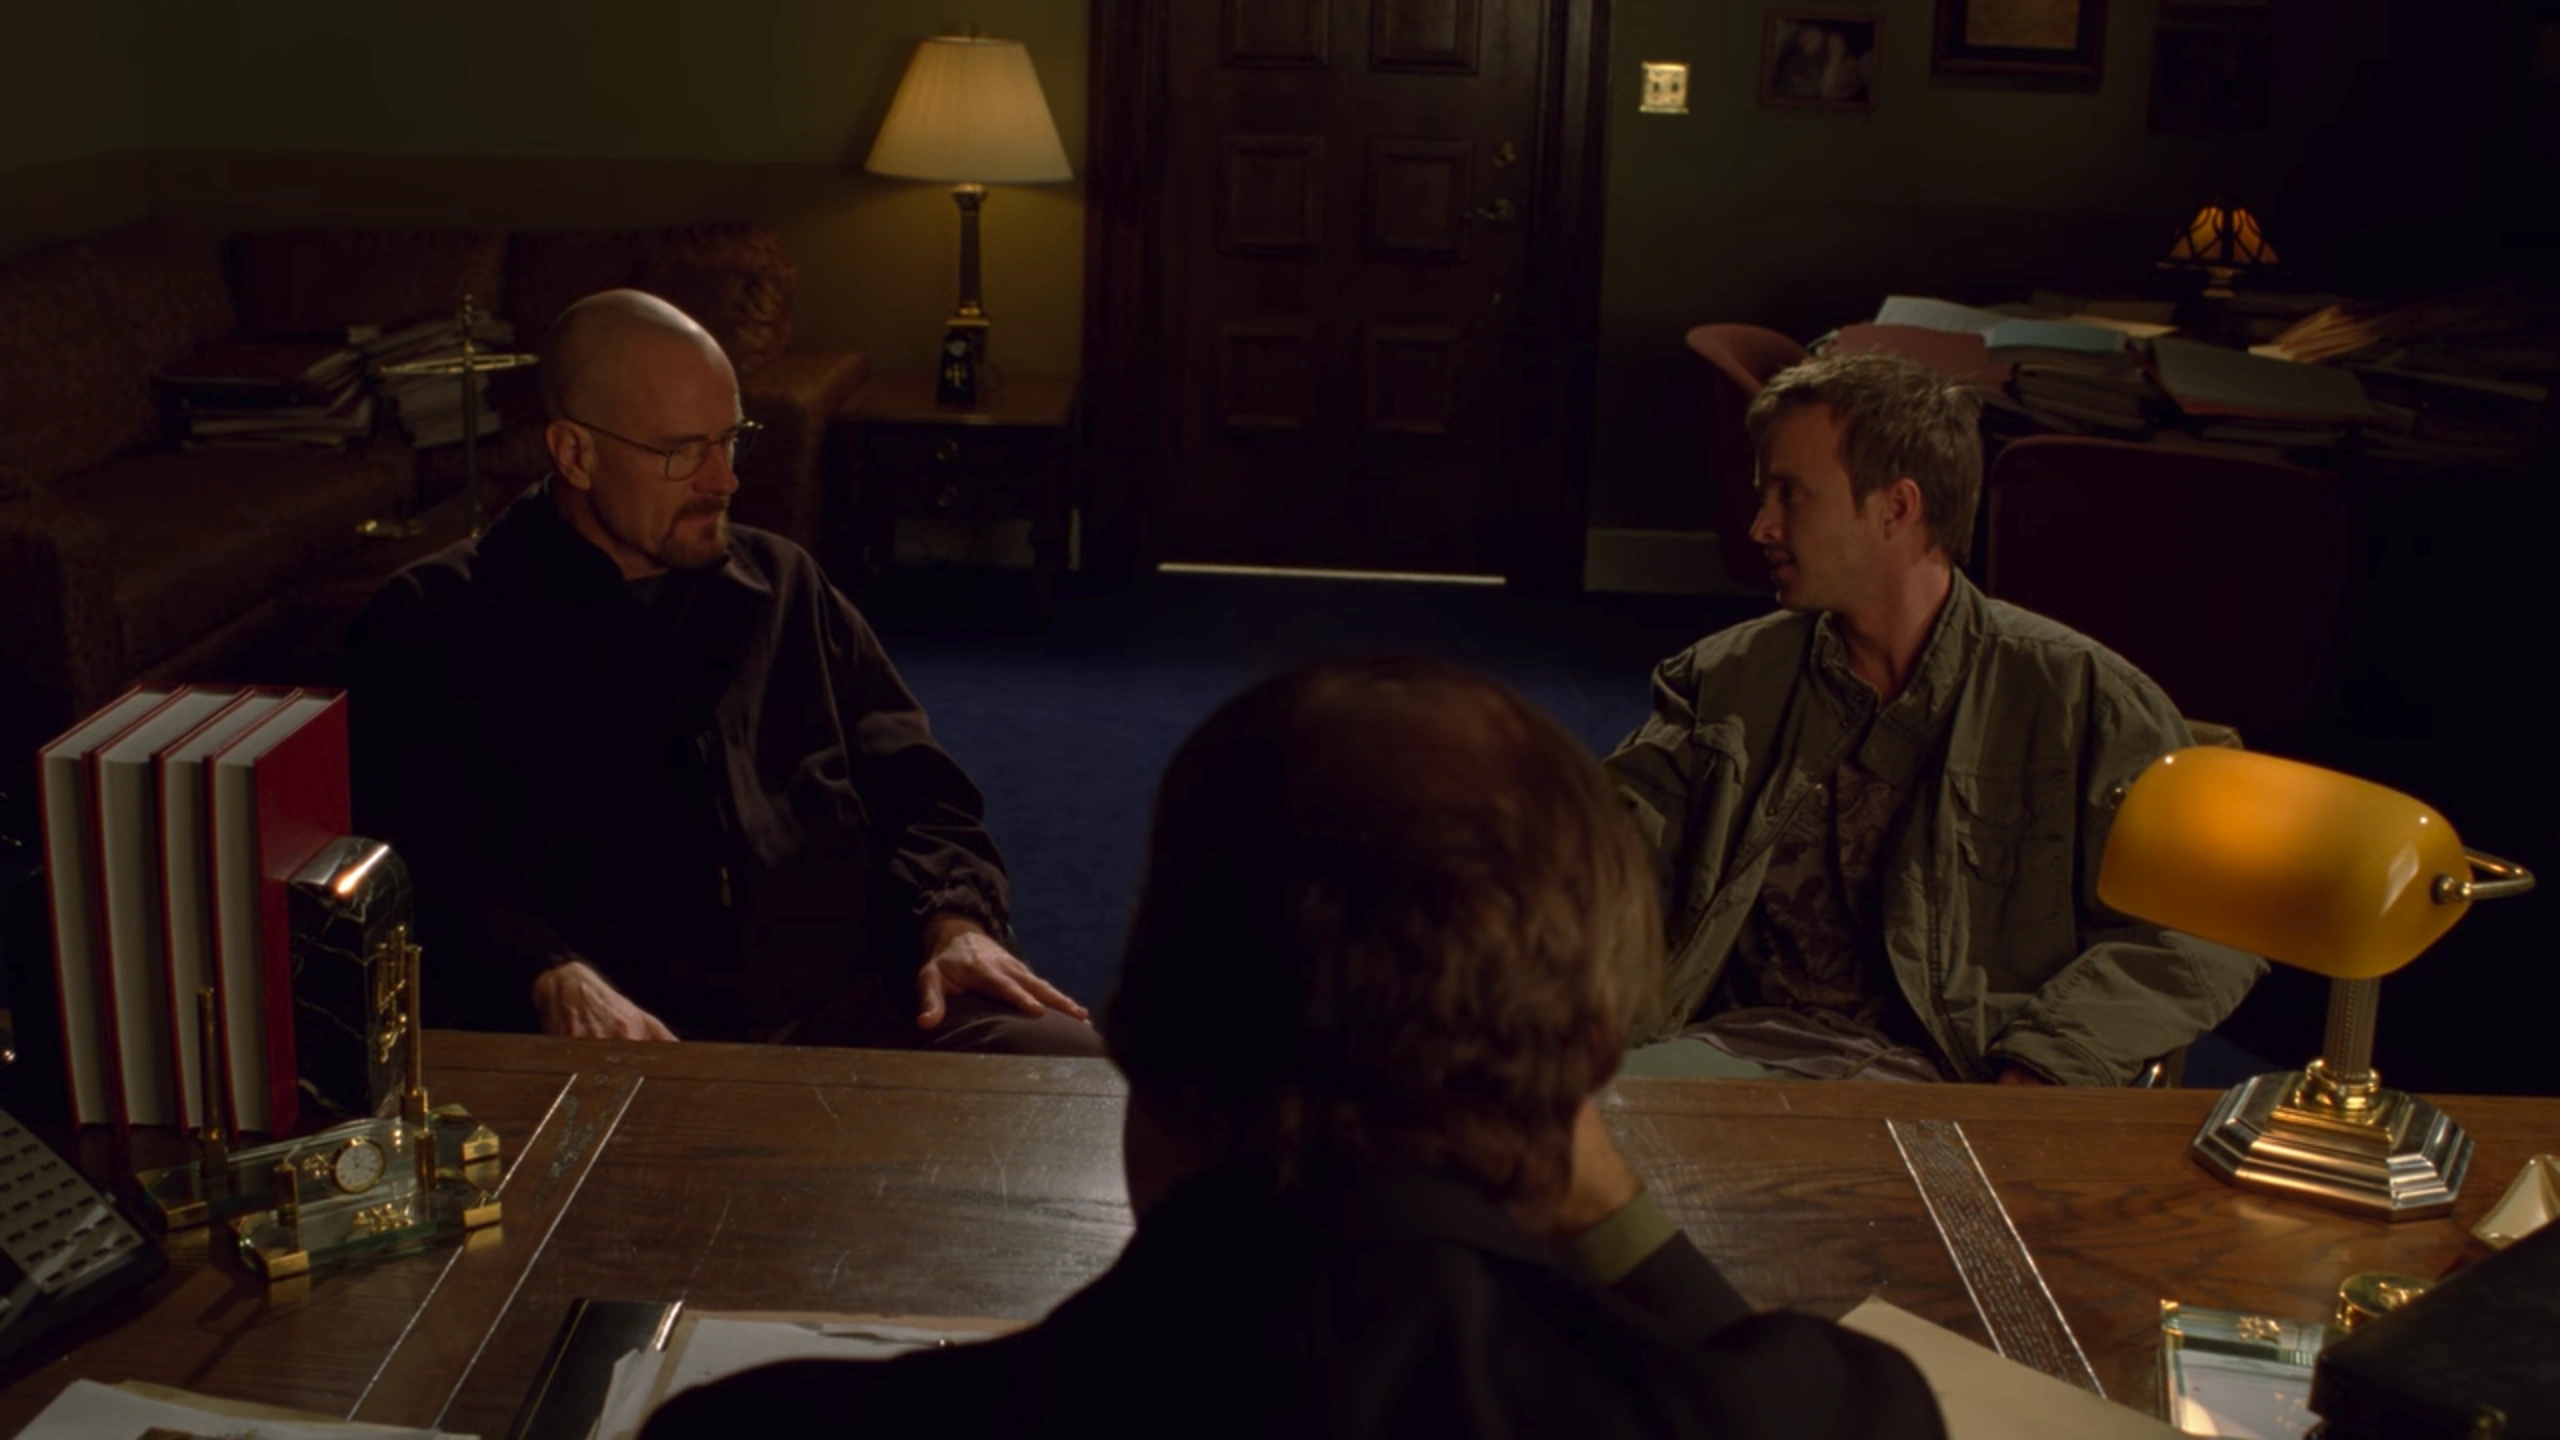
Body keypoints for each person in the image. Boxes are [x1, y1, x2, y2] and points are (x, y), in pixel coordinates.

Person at [640, 657, 1945, 1440]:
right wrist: (1593, 1170)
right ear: (1581, 1072)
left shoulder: (750, 1432)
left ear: (1130, 1024)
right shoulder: (1833, 1416)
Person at [343, 289, 1097, 1055]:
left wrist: (955, 924)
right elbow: (408, 869)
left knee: (1077, 1079)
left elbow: (921, 792)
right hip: (637, 1044)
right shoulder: (433, 622)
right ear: (574, 454)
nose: (724, 481)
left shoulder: (784, 585)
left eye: (730, 440)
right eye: (682, 452)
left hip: (866, 1004)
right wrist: (545, 971)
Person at [1606, 352, 2263, 1086]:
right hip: (1738, 1050)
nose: (1762, 525)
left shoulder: (2082, 698)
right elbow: (1610, 848)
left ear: (1898, 508)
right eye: (1766, 495)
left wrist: (2048, 1059)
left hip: (1953, 1073)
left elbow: (2201, 927)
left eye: (1792, 495)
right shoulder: (1726, 678)